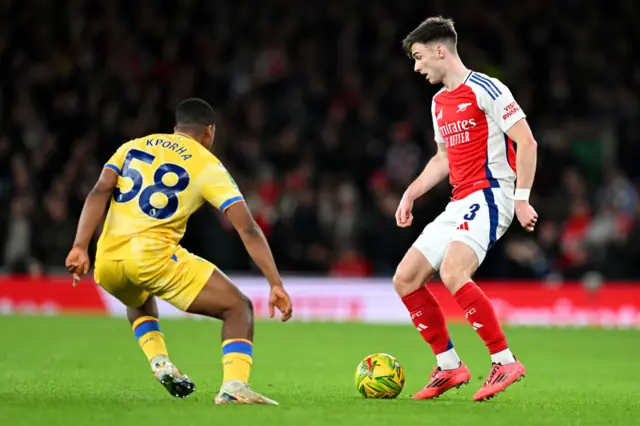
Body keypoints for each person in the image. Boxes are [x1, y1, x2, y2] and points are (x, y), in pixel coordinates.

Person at [65, 98, 293, 405]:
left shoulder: (133, 146)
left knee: (139, 296)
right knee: (239, 307)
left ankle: (159, 361)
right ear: (209, 133)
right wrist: (275, 282)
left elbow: (99, 191)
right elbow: (247, 228)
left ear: (175, 128)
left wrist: (80, 246)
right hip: (152, 257)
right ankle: (234, 386)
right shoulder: (206, 164)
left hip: (107, 261)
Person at [393, 17, 538, 401]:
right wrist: (412, 192)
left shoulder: (487, 88)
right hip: (460, 201)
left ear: (441, 50)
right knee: (406, 278)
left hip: (493, 194)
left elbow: (527, 142)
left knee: (453, 270)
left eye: (419, 57)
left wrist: (522, 198)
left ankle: (504, 360)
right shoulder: (439, 102)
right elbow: (444, 157)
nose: (416, 66)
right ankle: (449, 366)